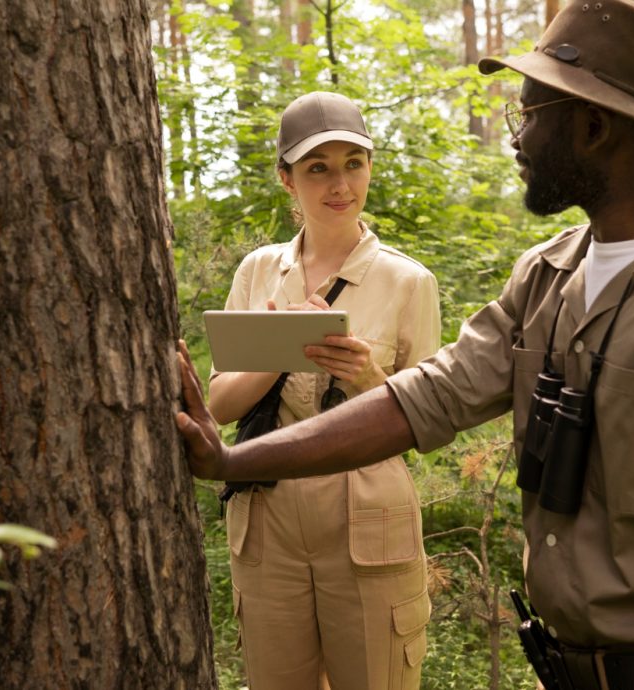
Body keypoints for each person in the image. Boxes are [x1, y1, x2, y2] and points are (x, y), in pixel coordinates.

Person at [177, 2, 634, 689]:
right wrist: (230, 459)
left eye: (530, 114)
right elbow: (427, 396)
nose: (515, 138)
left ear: (594, 127)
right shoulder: (550, 275)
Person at [206, 91, 441, 690]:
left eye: (353, 164)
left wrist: (368, 380)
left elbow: (435, 421)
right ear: (287, 180)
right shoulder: (259, 272)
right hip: (269, 509)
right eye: (318, 169)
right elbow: (219, 406)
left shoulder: (408, 281)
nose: (340, 184)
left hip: (367, 510)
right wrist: (280, 346)